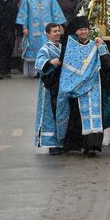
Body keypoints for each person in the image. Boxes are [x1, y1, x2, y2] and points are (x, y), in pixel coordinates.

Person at [56, 16, 110, 158]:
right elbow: (67, 69)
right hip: (77, 89)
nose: (84, 32)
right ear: (77, 32)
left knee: (93, 115)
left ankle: (92, 146)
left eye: (85, 29)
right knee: (78, 116)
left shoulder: (96, 44)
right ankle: (79, 144)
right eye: (81, 30)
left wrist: (102, 47)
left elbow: (107, 64)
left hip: (94, 86)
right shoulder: (71, 46)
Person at [16, 0, 66, 77]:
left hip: (48, 27)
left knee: (47, 45)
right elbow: (24, 13)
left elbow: (55, 10)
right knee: (34, 47)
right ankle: (36, 71)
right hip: (32, 27)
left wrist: (58, 25)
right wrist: (24, 27)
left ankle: (48, 68)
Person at [35, 23, 64, 154]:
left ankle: (62, 141)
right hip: (49, 87)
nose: (57, 33)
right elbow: (39, 63)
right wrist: (50, 62)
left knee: (61, 112)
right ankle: (51, 143)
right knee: (50, 114)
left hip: (61, 86)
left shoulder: (63, 47)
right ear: (47, 34)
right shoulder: (45, 49)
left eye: (58, 31)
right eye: (54, 31)